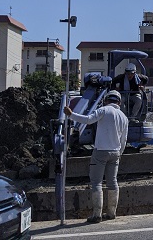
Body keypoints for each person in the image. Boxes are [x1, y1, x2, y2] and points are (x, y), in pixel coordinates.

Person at [63, 90, 129, 223]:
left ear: (106, 100)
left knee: (96, 182)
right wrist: (119, 153)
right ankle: (111, 213)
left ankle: (97, 214)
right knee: (112, 182)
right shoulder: (123, 116)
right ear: (119, 102)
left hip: (100, 152)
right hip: (115, 152)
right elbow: (124, 139)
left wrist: (71, 115)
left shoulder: (103, 110)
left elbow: (88, 120)